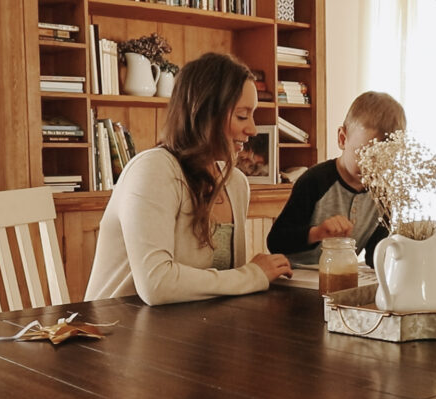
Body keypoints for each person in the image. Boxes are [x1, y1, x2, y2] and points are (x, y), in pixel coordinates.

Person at [85, 52, 292, 305]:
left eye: (252, 115)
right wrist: (252, 274)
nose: (252, 129)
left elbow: (225, 287)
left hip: (192, 330)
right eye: (241, 115)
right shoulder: (153, 170)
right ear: (205, 113)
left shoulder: (236, 184)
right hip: (117, 334)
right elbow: (157, 284)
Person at [266, 91, 406, 267]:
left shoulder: (382, 195)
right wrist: (317, 233)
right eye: (364, 154)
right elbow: (276, 241)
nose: (372, 166)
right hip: (296, 277)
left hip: (342, 278)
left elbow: (374, 257)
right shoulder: (315, 181)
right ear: (342, 139)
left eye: (384, 158)